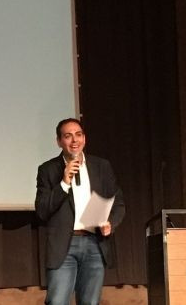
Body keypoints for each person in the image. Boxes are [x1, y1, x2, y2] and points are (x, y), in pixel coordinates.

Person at [35, 118, 125, 305]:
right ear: (59, 141)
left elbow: (118, 203)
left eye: (78, 135)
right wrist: (64, 183)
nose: (74, 140)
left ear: (84, 138)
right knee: (57, 301)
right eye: (68, 136)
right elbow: (42, 211)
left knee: (90, 303)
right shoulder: (48, 170)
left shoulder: (102, 166)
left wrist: (110, 223)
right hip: (63, 247)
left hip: (95, 244)